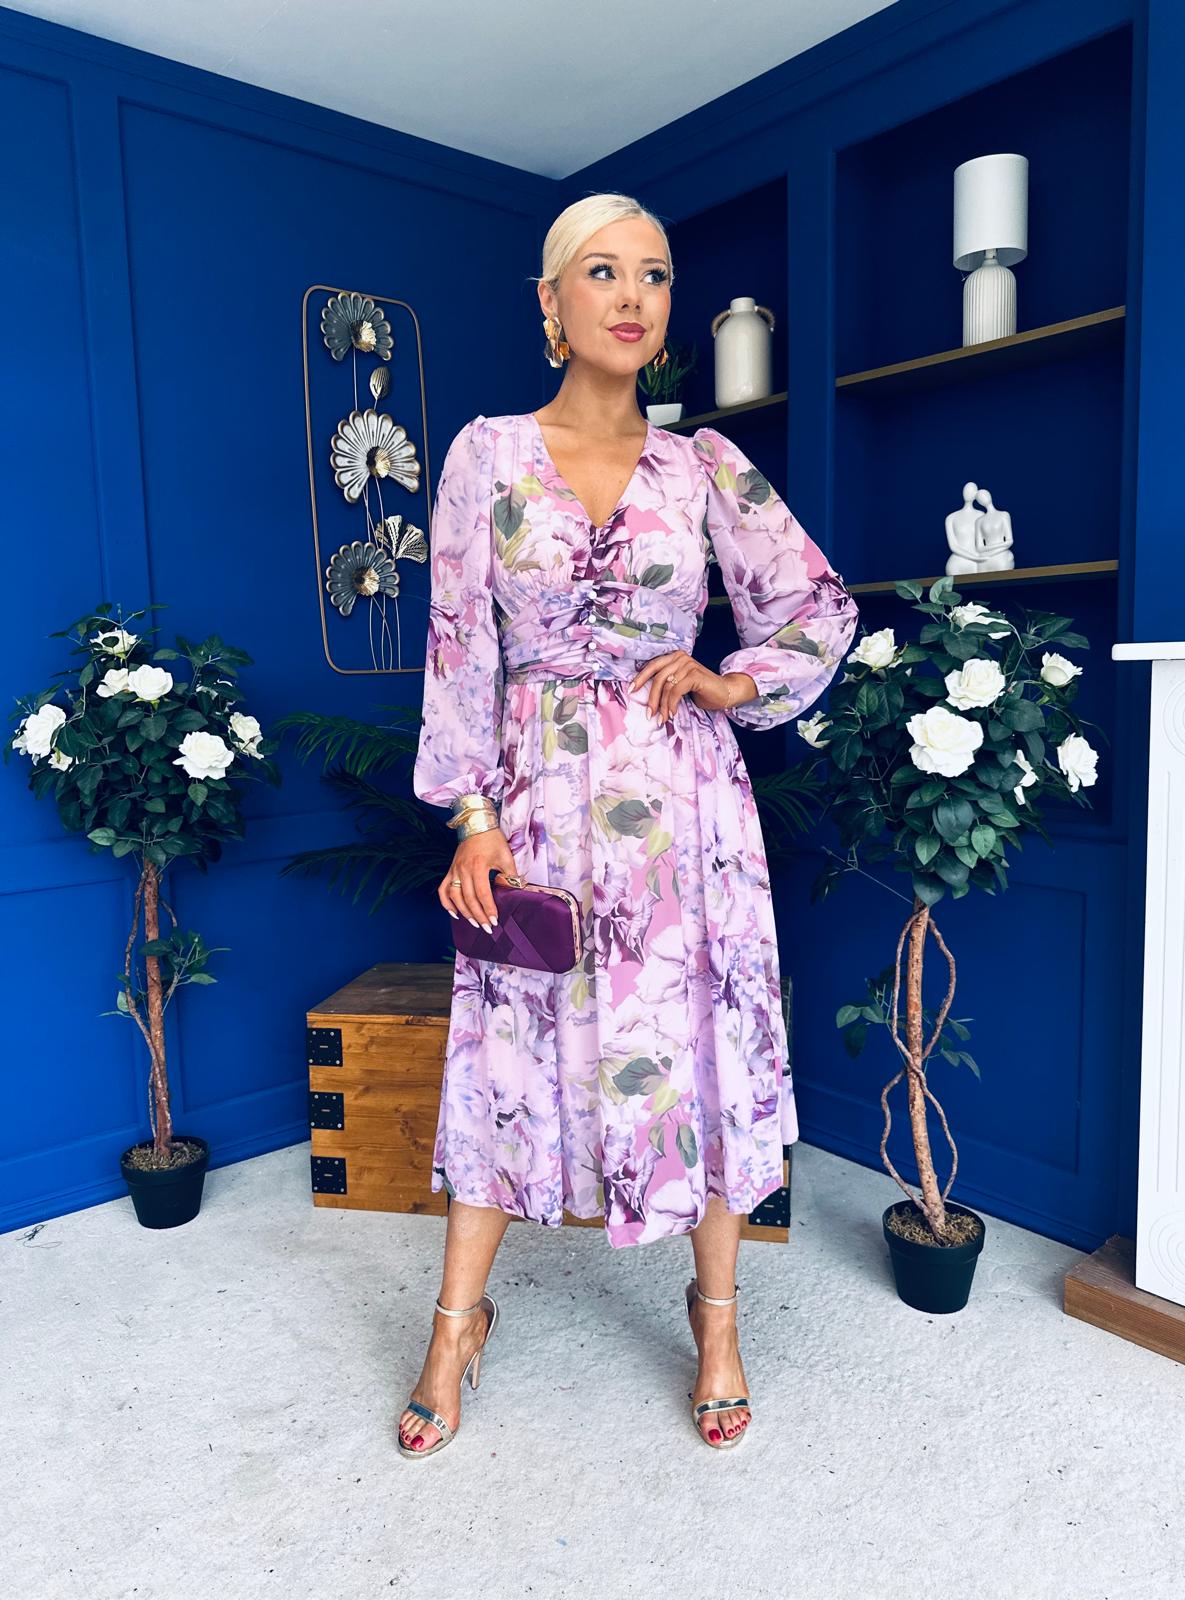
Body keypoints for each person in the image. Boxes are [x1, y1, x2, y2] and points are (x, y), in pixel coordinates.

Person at [399, 192, 860, 1458]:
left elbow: (818, 607)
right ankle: (454, 1325)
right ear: (550, 303)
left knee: (699, 1049)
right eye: (601, 272)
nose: (633, 296)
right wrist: (472, 818)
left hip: (683, 808)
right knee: (506, 1052)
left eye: (654, 276)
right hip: (535, 801)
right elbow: (459, 648)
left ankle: (716, 1321)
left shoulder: (705, 465)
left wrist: (731, 681)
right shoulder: (487, 456)